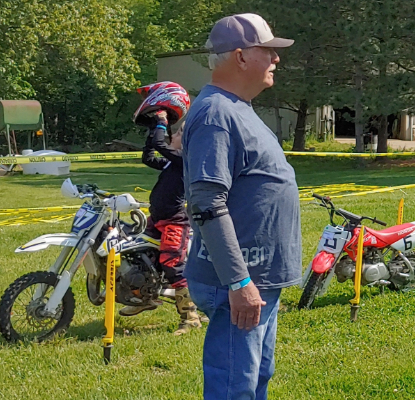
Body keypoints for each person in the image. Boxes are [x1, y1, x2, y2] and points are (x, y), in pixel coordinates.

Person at [182, 13, 298, 400]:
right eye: (269, 51)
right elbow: (207, 203)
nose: (276, 59)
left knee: (254, 378)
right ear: (241, 57)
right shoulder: (216, 114)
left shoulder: (235, 107)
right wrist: (239, 281)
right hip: (238, 281)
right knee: (234, 388)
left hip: (257, 278)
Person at [116, 81, 206, 335]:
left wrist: (161, 122)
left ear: (186, 143)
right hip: (158, 220)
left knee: (172, 262)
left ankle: (190, 318)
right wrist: (152, 128)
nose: (171, 136)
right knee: (140, 254)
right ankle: (144, 296)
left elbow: (160, 146)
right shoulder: (171, 164)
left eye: (176, 135)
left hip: (175, 222)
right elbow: (149, 156)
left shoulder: (184, 160)